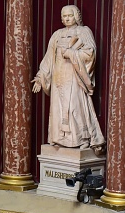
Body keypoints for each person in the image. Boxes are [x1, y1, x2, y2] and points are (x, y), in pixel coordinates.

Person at [32, 5, 105, 152]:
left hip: (75, 76)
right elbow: (48, 58)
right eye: (64, 16)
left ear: (76, 16)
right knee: (58, 108)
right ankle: (59, 139)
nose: (66, 19)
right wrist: (40, 76)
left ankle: (81, 138)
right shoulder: (57, 34)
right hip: (59, 77)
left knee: (74, 107)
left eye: (69, 16)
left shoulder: (83, 32)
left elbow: (90, 54)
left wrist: (71, 53)